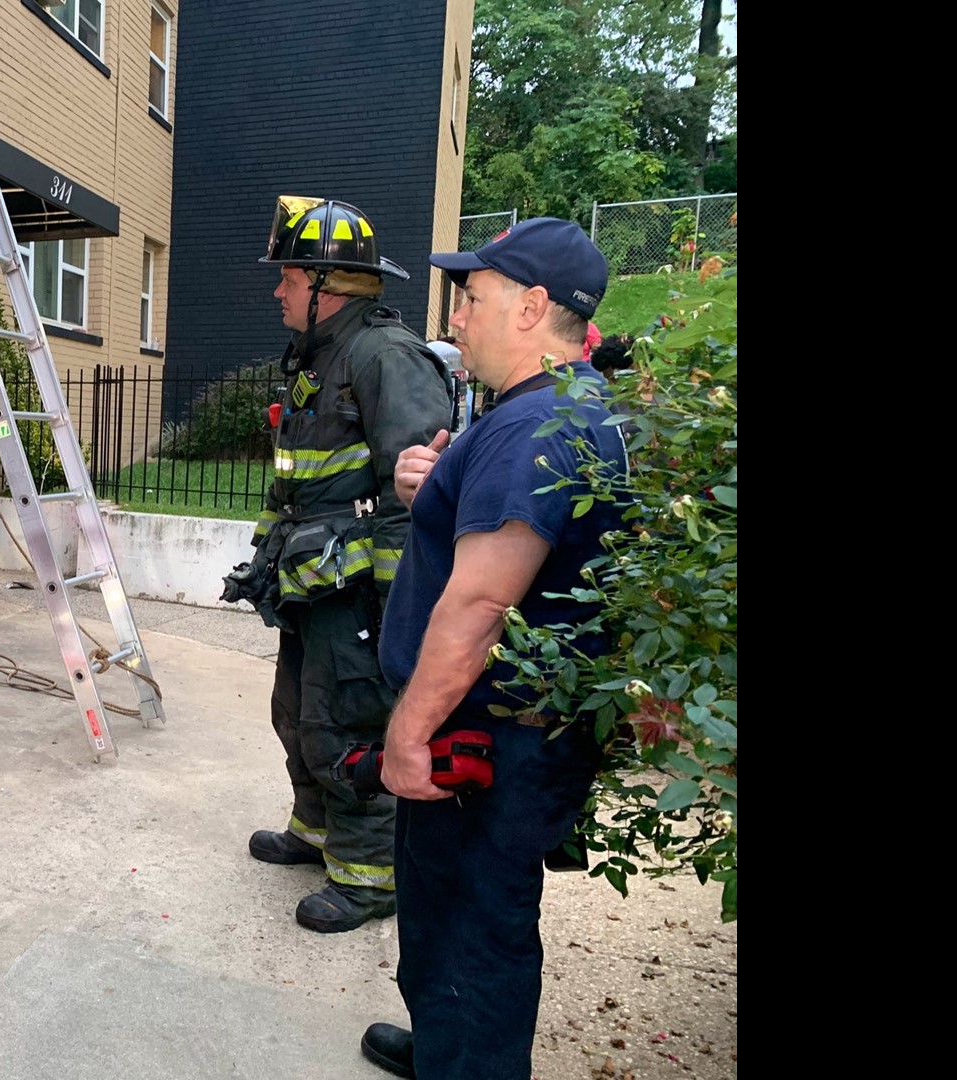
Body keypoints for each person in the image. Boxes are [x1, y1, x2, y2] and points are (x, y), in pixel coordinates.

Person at [358, 217, 628, 1079]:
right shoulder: (563, 406)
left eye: (473, 298)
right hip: (516, 733)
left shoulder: (532, 427)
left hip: (487, 742)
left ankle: (466, 1059)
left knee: (474, 922)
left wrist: (406, 737)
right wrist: (435, 481)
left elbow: (477, 603)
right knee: (463, 917)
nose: (458, 317)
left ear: (532, 307)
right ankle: (449, 1044)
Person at [235, 197, 454, 933]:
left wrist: (394, 607)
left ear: (325, 283)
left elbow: (418, 495)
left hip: (355, 593)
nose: (277, 293)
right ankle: (316, 833)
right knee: (296, 714)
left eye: (287, 279)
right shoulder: (320, 355)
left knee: (349, 723)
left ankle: (370, 878)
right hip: (309, 582)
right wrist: (264, 555)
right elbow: (296, 478)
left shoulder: (384, 357)